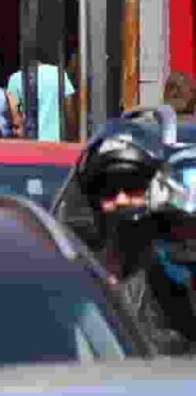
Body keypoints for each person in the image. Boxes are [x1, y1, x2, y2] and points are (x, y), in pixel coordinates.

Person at [73, 128, 196, 350]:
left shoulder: (176, 268)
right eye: (108, 191)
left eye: (132, 187)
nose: (121, 200)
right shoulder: (81, 273)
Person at [7, 46, 76, 142]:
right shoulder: (59, 73)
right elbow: (69, 107)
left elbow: (15, 115)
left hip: (30, 140)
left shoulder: (16, 78)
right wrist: (72, 134)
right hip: (57, 140)